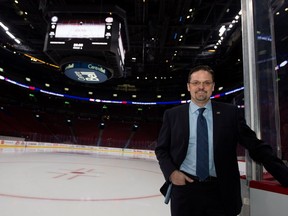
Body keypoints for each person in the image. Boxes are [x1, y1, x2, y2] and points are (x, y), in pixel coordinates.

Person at [155, 65, 288, 216]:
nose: (201, 87)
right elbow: (161, 149)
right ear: (188, 86)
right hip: (186, 190)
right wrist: (172, 173)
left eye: (206, 83)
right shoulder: (173, 115)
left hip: (221, 191)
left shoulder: (229, 113)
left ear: (213, 87)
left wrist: (284, 175)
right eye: (196, 83)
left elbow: (256, 146)